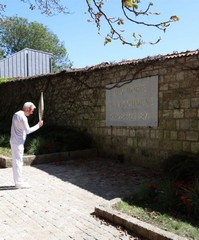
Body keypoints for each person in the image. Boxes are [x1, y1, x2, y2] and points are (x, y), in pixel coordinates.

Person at [10, 102, 44, 189]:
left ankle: (17, 181)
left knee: (16, 162)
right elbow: (28, 130)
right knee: (18, 162)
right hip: (18, 143)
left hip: (14, 142)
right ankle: (19, 183)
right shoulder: (23, 117)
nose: (32, 113)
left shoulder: (16, 114)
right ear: (27, 109)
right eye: (31, 110)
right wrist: (38, 125)